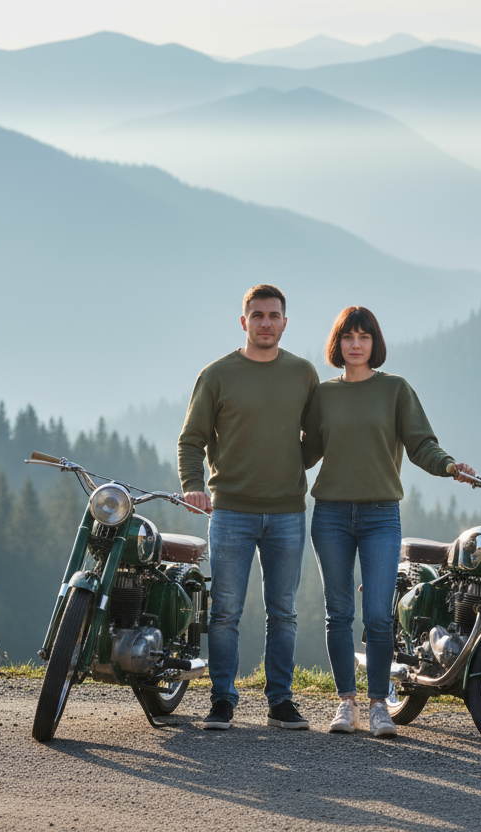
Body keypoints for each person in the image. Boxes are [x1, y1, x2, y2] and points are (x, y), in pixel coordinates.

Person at [302, 305, 474, 737]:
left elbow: (420, 444)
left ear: (375, 344)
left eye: (364, 337)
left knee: (379, 615)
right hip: (331, 515)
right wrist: (255, 455)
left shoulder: (395, 390)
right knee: (338, 613)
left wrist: (450, 467)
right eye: (348, 337)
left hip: (381, 515)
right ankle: (346, 704)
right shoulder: (323, 395)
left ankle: (379, 705)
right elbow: (303, 453)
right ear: (337, 344)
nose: (356, 344)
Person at [178, 284, 320, 731]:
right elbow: (191, 440)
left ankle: (280, 701)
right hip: (231, 512)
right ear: (244, 322)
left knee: (284, 611)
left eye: (273, 315)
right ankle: (222, 700)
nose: (265, 323)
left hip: (288, 513)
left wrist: (292, 465)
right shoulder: (217, 374)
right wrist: (193, 486)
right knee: (225, 611)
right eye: (256, 315)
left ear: (284, 322)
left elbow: (316, 437)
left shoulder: (303, 373)